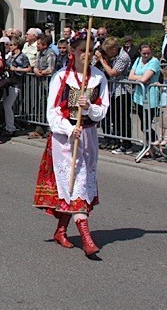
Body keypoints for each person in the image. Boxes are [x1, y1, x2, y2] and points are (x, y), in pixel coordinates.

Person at [33, 31, 110, 258]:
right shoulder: (61, 77)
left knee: (80, 183)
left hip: (88, 137)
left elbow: (103, 110)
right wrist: (68, 128)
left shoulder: (98, 77)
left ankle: (61, 230)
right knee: (74, 183)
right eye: (81, 51)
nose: (86, 56)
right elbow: (52, 112)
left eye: (89, 51)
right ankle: (87, 239)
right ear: (73, 53)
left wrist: (89, 108)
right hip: (65, 139)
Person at [128, 44, 161, 143]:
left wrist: (140, 79)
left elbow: (145, 79)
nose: (146, 55)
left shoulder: (154, 61)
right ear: (140, 52)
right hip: (138, 96)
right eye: (144, 53)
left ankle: (154, 144)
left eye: (148, 53)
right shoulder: (138, 60)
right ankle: (149, 145)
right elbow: (130, 77)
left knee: (146, 125)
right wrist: (141, 78)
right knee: (143, 124)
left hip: (150, 97)